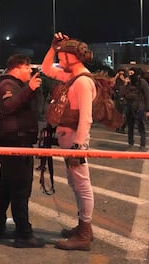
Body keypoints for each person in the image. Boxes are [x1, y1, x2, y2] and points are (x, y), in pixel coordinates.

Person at [41, 32, 96, 251]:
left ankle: (84, 232)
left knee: (82, 185)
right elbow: (46, 69)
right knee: (76, 184)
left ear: (74, 57)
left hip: (75, 140)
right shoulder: (73, 77)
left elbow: (86, 117)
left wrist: (78, 147)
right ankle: (84, 227)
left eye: (63, 56)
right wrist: (53, 48)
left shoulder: (82, 81)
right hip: (70, 140)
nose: (60, 60)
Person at [0, 54, 45, 248]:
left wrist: (31, 91)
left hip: (14, 140)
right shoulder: (7, 85)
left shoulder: (11, 85)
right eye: (28, 68)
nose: (30, 71)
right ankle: (23, 233)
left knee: (6, 186)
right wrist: (29, 90)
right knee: (20, 188)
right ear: (18, 67)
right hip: (14, 141)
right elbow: (8, 106)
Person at [117, 67, 149, 150]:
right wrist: (125, 84)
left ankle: (142, 144)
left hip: (139, 107)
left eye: (132, 73)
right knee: (130, 126)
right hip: (129, 106)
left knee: (141, 126)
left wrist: (147, 109)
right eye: (129, 73)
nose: (130, 75)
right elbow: (121, 94)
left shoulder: (142, 82)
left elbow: (147, 96)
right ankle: (130, 143)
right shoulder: (128, 83)